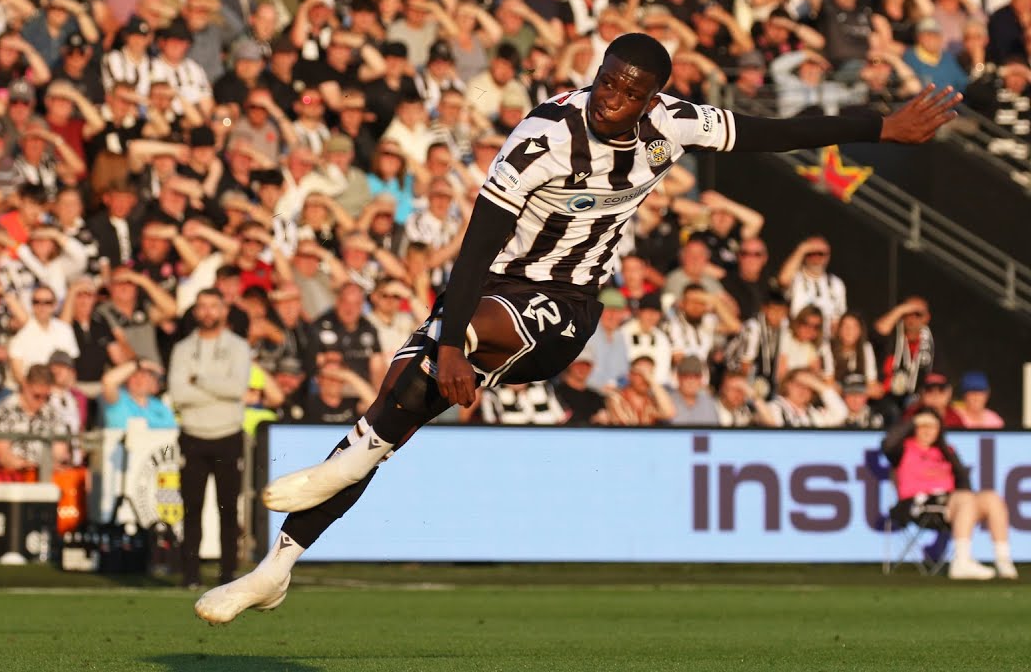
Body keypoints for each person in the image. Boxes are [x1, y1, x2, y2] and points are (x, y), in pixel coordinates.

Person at [195, 32, 962, 623]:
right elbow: (476, 247)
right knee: (406, 399)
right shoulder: (543, 137)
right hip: (490, 290)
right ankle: (279, 568)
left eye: (632, 91)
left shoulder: (678, 124)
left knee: (409, 395)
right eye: (607, 82)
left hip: (567, 309)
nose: (613, 99)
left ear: (654, 95)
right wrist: (452, 339)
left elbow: (775, 131)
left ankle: (346, 460)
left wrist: (881, 127)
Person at [168, 289, 252, 589]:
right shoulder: (182, 349)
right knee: (191, 510)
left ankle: (227, 576)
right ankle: (190, 576)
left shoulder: (238, 347)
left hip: (227, 435)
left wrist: (200, 380)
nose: (207, 312)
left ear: (223, 310)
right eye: (201, 306)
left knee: (228, 510)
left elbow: (236, 388)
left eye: (213, 306)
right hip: (192, 436)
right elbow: (178, 394)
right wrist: (214, 390)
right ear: (194, 311)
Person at [882, 409, 1017, 580]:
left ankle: (1003, 559)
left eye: (932, 426)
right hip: (918, 504)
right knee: (966, 499)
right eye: (923, 426)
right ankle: (961, 561)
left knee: (992, 498)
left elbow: (963, 480)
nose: (927, 430)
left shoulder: (945, 451)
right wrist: (913, 420)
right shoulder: (903, 449)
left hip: (953, 504)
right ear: (915, 427)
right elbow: (887, 443)